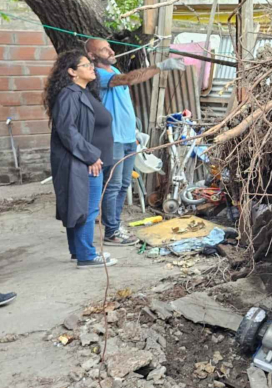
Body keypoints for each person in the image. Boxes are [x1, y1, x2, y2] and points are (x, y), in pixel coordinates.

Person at [85, 39, 185, 246]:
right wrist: (160, 66)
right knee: (112, 186)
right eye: (104, 49)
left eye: (110, 47)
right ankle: (111, 231)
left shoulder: (112, 68)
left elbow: (122, 103)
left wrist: (135, 130)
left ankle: (115, 224)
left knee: (123, 185)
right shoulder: (98, 75)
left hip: (128, 137)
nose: (112, 50)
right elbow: (128, 79)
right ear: (92, 56)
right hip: (113, 139)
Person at [46, 50, 118, 269]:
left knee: (79, 207)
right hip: (82, 162)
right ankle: (87, 255)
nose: (91, 68)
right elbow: (67, 130)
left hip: (87, 160)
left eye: (90, 65)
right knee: (86, 209)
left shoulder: (83, 92)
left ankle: (79, 252)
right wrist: (91, 155)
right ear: (71, 72)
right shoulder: (69, 94)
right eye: (85, 65)